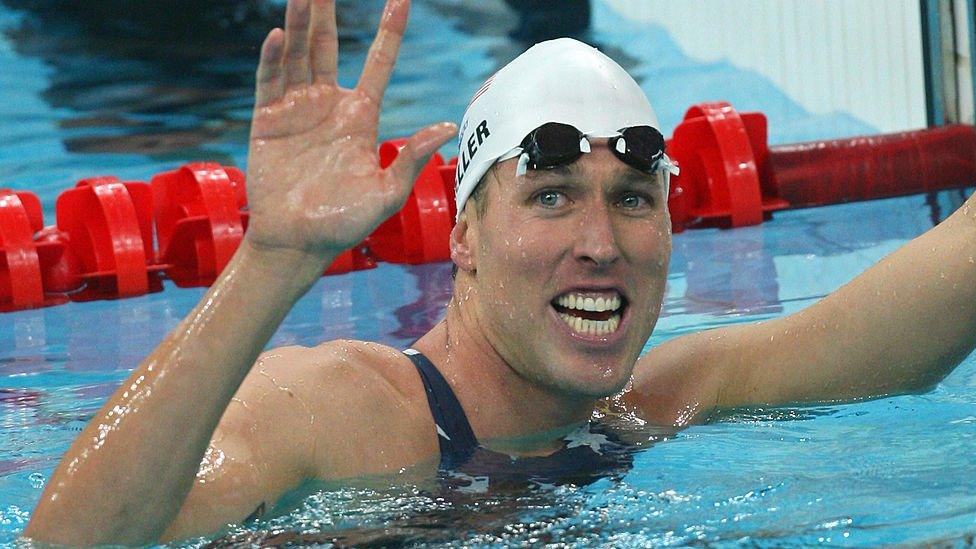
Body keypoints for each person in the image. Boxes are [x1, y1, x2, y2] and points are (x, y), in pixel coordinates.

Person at [23, 0, 976, 544]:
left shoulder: (647, 409)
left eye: (633, 197)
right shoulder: (343, 409)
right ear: (464, 236)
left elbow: (921, 309)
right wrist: (273, 259)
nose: (601, 240)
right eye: (552, 193)